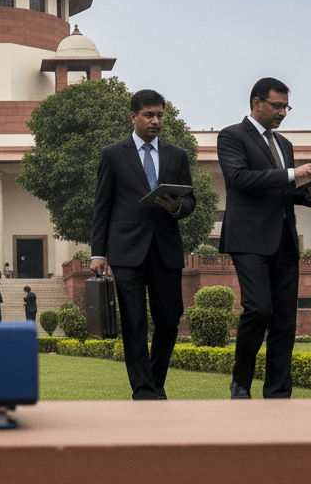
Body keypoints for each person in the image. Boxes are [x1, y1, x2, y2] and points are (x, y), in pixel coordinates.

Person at [218, 77, 311, 399]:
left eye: (286, 107)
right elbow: (240, 179)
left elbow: (284, 191)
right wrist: (294, 174)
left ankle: (278, 392)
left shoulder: (285, 145)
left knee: (284, 319)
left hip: (284, 240)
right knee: (258, 309)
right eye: (277, 106)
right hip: (249, 239)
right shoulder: (232, 136)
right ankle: (241, 382)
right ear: (256, 103)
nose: (283, 113)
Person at [90, 89, 197, 400]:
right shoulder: (112, 154)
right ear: (134, 117)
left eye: (160, 115)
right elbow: (102, 206)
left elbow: (190, 200)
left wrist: (176, 207)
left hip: (166, 250)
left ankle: (155, 381)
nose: (156, 120)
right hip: (126, 252)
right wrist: (98, 252)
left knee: (169, 322)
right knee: (134, 323)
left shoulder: (177, 155)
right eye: (149, 115)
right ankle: (144, 390)